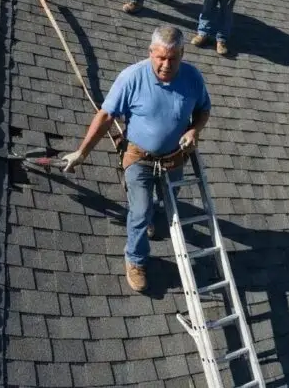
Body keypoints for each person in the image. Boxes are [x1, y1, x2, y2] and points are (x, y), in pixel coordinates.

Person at [62, 25, 211, 292]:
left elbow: (203, 110)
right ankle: (136, 259)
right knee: (140, 212)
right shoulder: (132, 78)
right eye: (160, 57)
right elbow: (106, 117)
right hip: (140, 158)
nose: (166, 64)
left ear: (182, 54)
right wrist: (82, 152)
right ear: (150, 52)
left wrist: (194, 129)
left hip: (173, 159)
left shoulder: (192, 78)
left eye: (173, 58)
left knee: (168, 204)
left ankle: (151, 213)